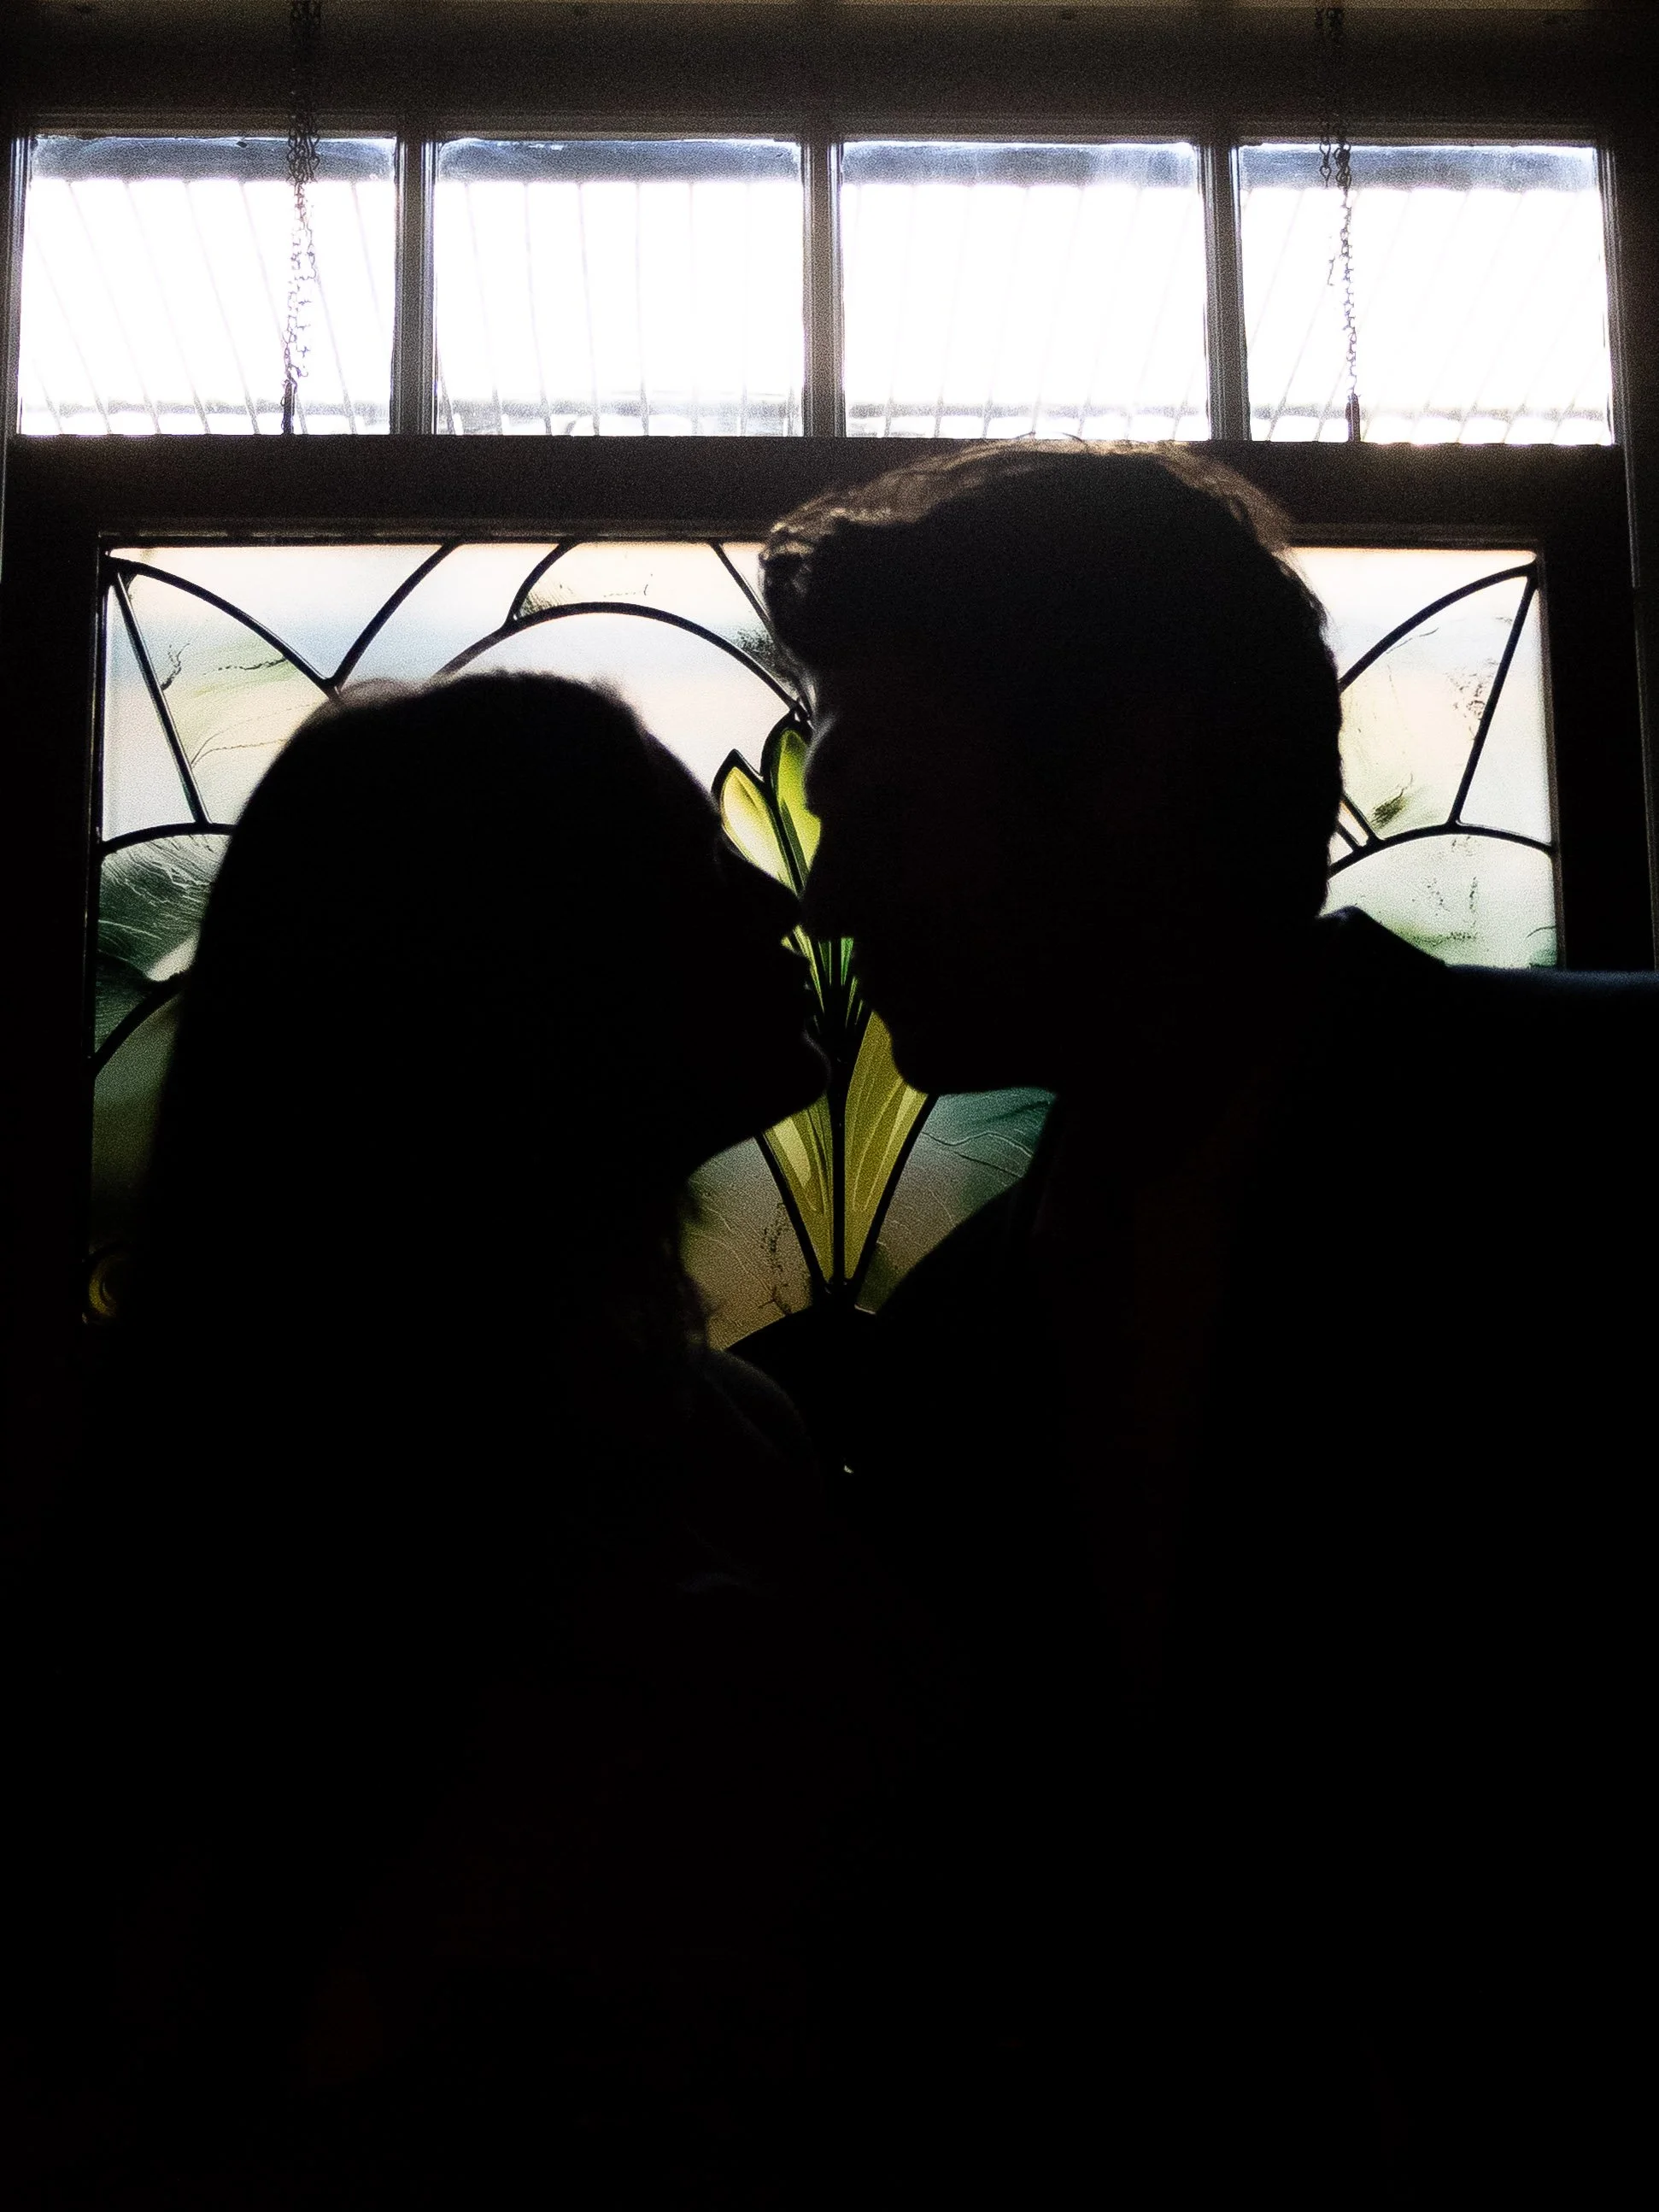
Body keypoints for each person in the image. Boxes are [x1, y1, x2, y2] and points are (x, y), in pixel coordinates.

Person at [759, 443, 1656, 2206]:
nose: (829, 901)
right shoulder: (954, 1342)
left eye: (889, 808)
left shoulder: (1604, 1150)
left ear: (1130, 771)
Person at [10, 674, 944, 2209]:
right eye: (682, 857)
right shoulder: (338, 1530)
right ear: (514, 965)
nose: (781, 895)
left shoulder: (669, 1418)